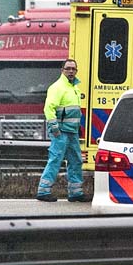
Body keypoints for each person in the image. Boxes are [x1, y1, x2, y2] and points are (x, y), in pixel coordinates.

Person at [36, 59, 90, 202]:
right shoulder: (57, 87)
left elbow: (74, 111)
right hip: (60, 131)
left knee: (76, 161)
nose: (71, 71)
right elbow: (49, 108)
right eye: (68, 69)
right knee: (55, 160)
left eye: (73, 69)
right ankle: (43, 191)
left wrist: (78, 128)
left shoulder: (74, 88)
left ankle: (75, 193)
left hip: (71, 131)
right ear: (62, 70)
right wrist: (54, 127)